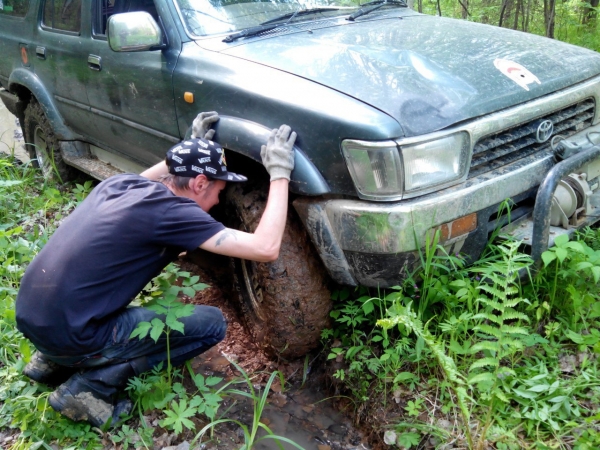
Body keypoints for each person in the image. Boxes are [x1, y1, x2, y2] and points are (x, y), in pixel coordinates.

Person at [15, 111, 297, 427]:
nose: (218, 201)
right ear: (200, 183)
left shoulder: (122, 185)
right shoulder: (175, 214)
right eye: (218, 191)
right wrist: (279, 173)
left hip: (31, 314)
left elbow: (166, 170)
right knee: (211, 324)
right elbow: (265, 247)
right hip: (71, 333)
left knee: (89, 298)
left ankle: (50, 361)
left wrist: (190, 147)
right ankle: (90, 389)